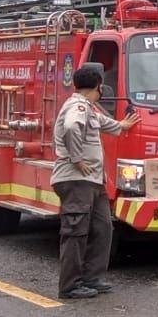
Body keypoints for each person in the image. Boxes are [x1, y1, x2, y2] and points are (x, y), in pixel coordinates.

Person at [52, 63, 139, 299]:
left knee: (103, 228)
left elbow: (103, 124)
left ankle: (92, 278)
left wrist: (122, 126)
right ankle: (70, 286)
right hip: (76, 179)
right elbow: (71, 126)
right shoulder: (78, 106)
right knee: (76, 232)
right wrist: (77, 158)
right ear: (99, 87)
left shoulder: (90, 108)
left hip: (92, 181)